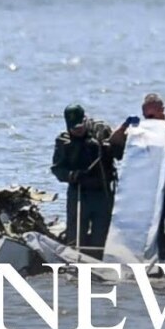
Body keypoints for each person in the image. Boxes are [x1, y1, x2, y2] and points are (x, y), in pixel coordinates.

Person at [108, 93, 165, 259]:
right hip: (150, 189)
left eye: (152, 116)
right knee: (153, 228)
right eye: (146, 116)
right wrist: (125, 126)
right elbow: (113, 141)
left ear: (162, 111)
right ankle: (155, 259)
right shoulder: (141, 131)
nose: (149, 120)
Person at [50, 103, 121, 247]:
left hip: (102, 192)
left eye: (80, 126)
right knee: (75, 235)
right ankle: (74, 258)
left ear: (85, 119)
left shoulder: (101, 131)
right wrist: (73, 175)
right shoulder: (64, 141)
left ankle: (100, 257)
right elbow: (57, 169)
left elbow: (120, 154)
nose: (78, 130)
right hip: (79, 192)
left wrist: (109, 147)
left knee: (102, 235)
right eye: (73, 128)